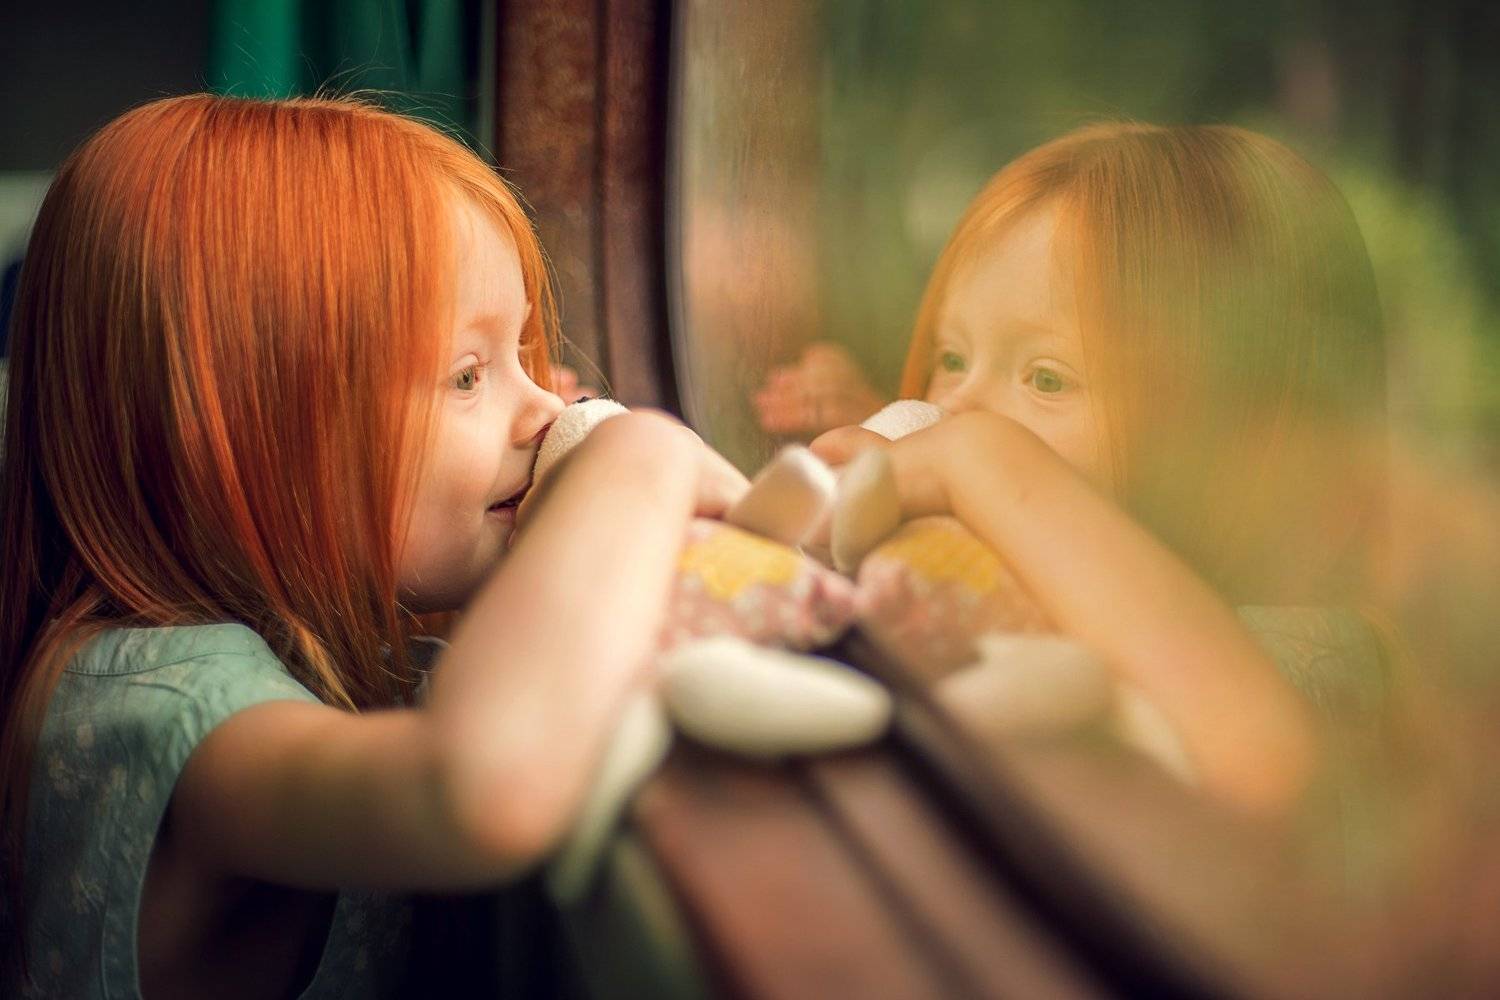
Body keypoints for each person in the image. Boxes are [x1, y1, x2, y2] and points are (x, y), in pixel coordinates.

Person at [0, 94, 746, 997]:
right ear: (245, 430)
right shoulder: (163, 700)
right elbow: (476, 793)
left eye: (520, 355)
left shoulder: (312, 643)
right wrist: (640, 455)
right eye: (468, 374)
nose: (549, 410)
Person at [809, 123, 1390, 817]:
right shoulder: (970, 570)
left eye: (1048, 379)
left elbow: (1265, 757)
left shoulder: (1317, 651)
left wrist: (983, 458)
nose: (955, 407)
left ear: (1235, 442)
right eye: (953, 358)